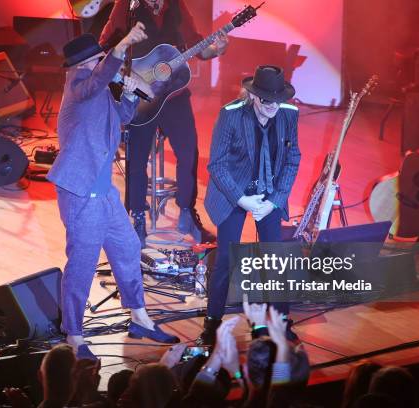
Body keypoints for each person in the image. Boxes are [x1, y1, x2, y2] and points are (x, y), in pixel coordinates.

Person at [47, 23, 179, 360]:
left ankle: (139, 317)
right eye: (101, 60)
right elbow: (97, 82)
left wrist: (132, 93)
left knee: (128, 247)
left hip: (104, 193)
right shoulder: (78, 86)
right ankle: (74, 334)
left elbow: (120, 117)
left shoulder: (97, 88)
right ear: (82, 66)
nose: (106, 64)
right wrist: (121, 47)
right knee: (83, 263)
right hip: (81, 193)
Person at [100, 0, 228, 247]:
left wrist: (217, 49)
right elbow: (105, 44)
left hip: (173, 93)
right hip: (138, 91)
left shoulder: (176, 5)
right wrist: (126, 77)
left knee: (189, 152)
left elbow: (198, 47)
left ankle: (187, 213)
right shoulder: (127, 5)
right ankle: (137, 217)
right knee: (136, 161)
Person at [198, 65, 302, 345]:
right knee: (226, 260)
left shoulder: (289, 113)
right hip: (234, 190)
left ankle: (279, 320)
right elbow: (216, 164)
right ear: (255, 96)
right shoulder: (231, 115)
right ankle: (212, 323)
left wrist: (275, 201)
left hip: (269, 193)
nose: (273, 107)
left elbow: (293, 159)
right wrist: (242, 199)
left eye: (278, 101)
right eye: (267, 101)